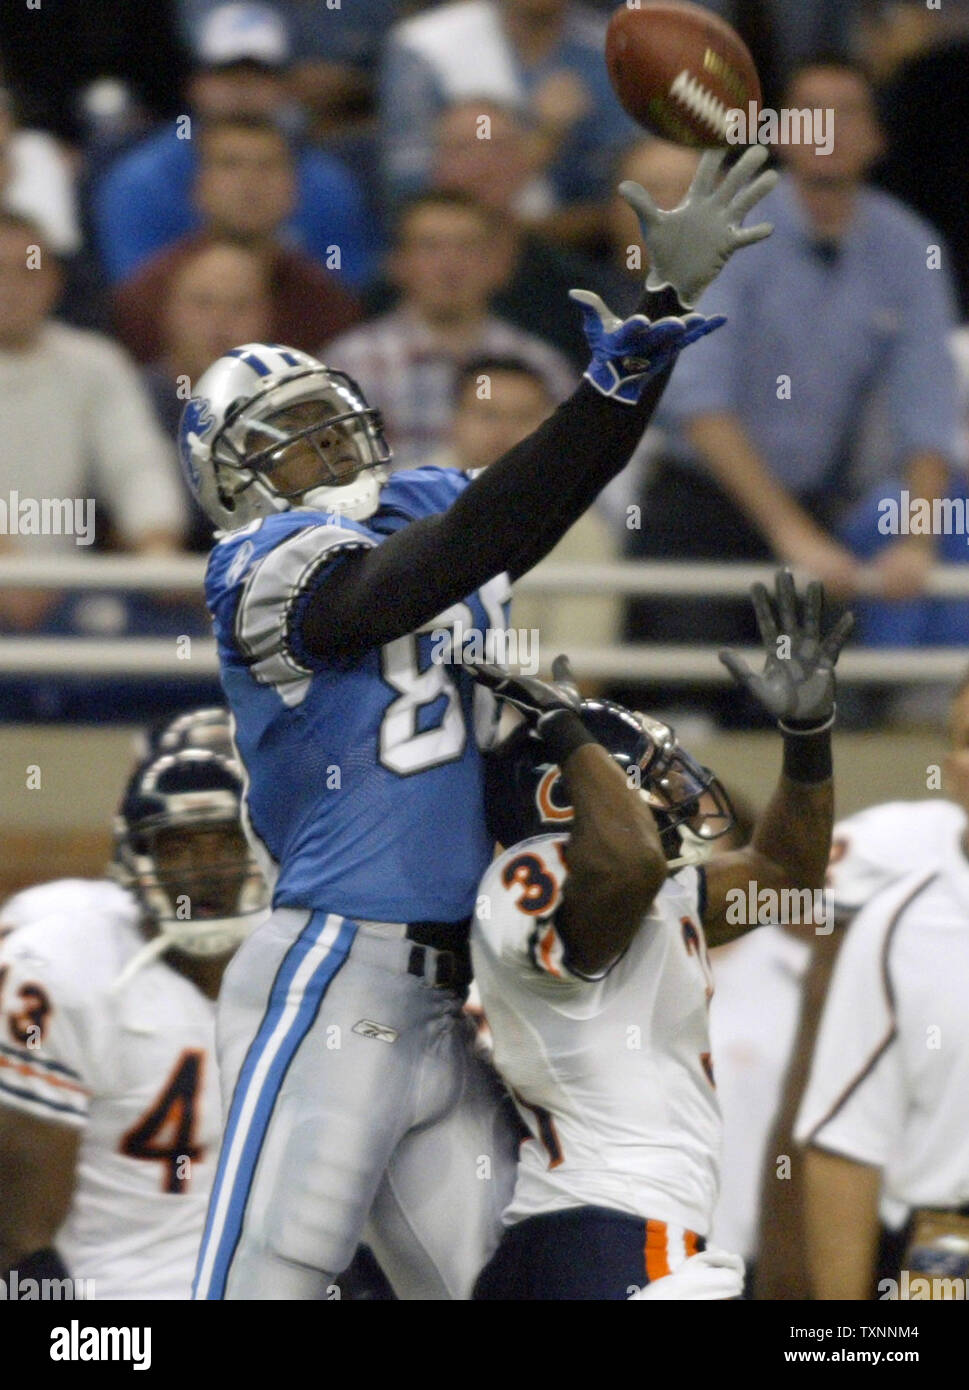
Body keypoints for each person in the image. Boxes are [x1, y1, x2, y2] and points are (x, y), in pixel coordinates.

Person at [181, 147, 779, 1299]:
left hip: (459, 998)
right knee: (261, 1283)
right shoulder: (255, 567)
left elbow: (542, 493)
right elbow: (423, 573)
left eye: (324, 424)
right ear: (232, 481)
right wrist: (608, 388)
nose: (319, 452)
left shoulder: (437, 502)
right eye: (283, 440)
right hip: (334, 969)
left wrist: (658, 321)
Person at [468, 569, 852, 1299]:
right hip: (621, 1236)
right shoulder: (535, 880)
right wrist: (570, 732)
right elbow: (628, 861)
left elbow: (783, 874)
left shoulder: (643, 893)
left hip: (570, 1241)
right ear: (571, 796)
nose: (675, 786)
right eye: (645, 777)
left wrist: (805, 738)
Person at [625, 56, 960, 715]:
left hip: (818, 509)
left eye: (847, 112)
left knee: (814, 725)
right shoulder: (729, 228)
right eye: (811, 112)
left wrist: (916, 540)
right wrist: (790, 534)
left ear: (877, 138)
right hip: (701, 508)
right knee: (688, 725)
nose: (828, 128)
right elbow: (698, 400)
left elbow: (928, 405)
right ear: (780, 133)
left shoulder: (908, 245)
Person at [0, 710, 270, 1300]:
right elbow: (15, 1241)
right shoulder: (63, 965)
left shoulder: (304, 965)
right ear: (136, 857)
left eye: (225, 842)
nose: (208, 871)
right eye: (180, 847)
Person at [93, 2, 375, 287]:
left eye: (259, 76)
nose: (242, 90)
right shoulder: (141, 182)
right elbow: (138, 295)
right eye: (227, 75)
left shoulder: (327, 183)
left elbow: (343, 290)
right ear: (196, 84)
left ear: (287, 88)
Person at [0, 212, 185, 635]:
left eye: (26, 271)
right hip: (17, 592)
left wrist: (156, 543)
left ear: (53, 282)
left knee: (170, 639)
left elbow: (135, 462)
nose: (10, 287)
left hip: (66, 593)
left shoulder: (94, 363)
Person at [322, 191, 576, 469]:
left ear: (499, 264)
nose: (450, 264)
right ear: (397, 263)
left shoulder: (543, 367)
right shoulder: (348, 366)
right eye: (430, 247)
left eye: (467, 247)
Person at [113, 114, 362, 365]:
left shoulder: (325, 302)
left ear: (294, 189)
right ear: (198, 187)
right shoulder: (148, 295)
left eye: (268, 166)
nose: (250, 182)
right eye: (230, 164)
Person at [430, 353, 621, 661]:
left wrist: (511, 709)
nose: (504, 432)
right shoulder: (399, 500)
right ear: (453, 421)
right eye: (488, 415)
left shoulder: (580, 524)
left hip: (524, 702)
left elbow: (582, 668)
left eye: (523, 417)